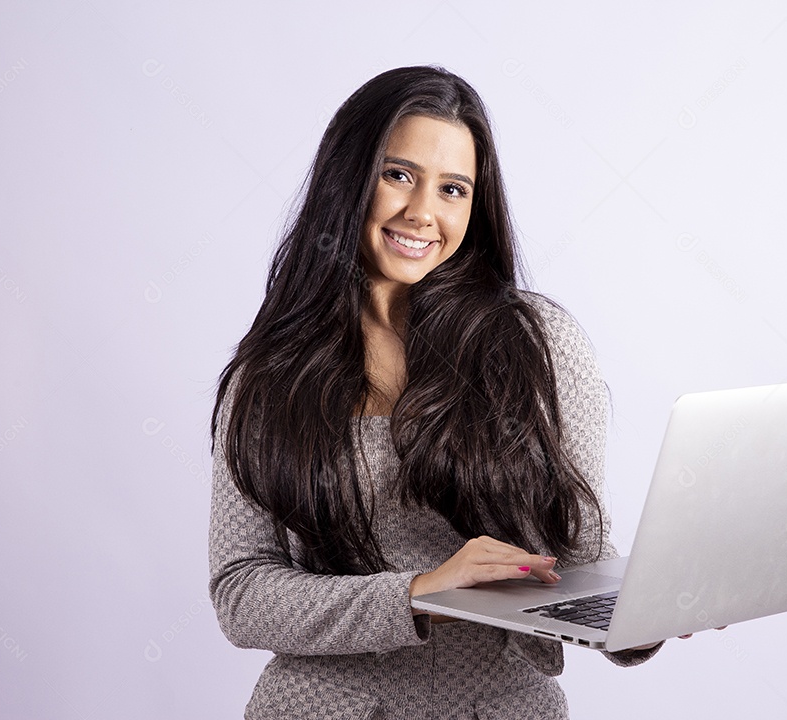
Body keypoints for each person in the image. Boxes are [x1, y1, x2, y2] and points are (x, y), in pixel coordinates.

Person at [208, 64, 665, 720]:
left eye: (453, 188)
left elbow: (579, 552)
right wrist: (420, 593)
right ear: (349, 179)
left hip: (503, 707)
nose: (423, 212)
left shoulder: (540, 345)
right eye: (398, 174)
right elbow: (242, 593)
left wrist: (642, 618)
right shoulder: (271, 376)